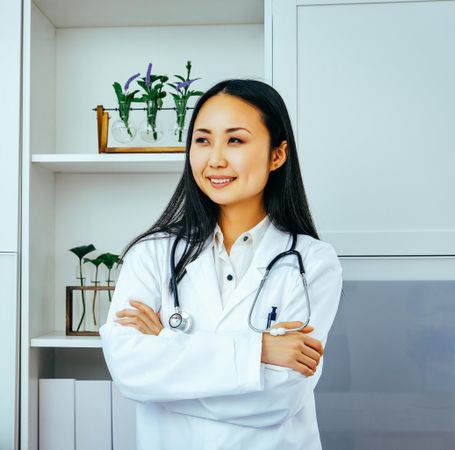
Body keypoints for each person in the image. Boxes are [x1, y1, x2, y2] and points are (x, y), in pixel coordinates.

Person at [98, 79, 343, 449]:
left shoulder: (312, 263)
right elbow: (130, 372)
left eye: (235, 140)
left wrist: (166, 350)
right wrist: (257, 351)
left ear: (277, 154)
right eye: (202, 140)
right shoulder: (152, 254)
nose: (215, 159)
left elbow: (278, 401)